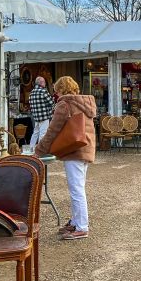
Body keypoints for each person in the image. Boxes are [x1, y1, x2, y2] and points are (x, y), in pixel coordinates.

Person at [35, 76, 97, 240]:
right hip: (85, 148)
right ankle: (76, 222)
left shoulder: (65, 104)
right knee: (79, 187)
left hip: (73, 149)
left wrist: (39, 150)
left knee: (76, 190)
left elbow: (53, 130)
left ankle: (82, 227)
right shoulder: (85, 102)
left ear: (61, 90)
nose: (55, 94)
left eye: (56, 91)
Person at [29, 76, 54, 147]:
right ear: (41, 83)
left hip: (36, 117)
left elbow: (31, 105)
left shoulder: (32, 92)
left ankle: (31, 148)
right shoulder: (44, 91)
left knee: (35, 133)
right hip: (44, 116)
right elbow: (51, 102)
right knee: (43, 133)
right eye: (44, 82)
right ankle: (40, 150)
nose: (45, 83)